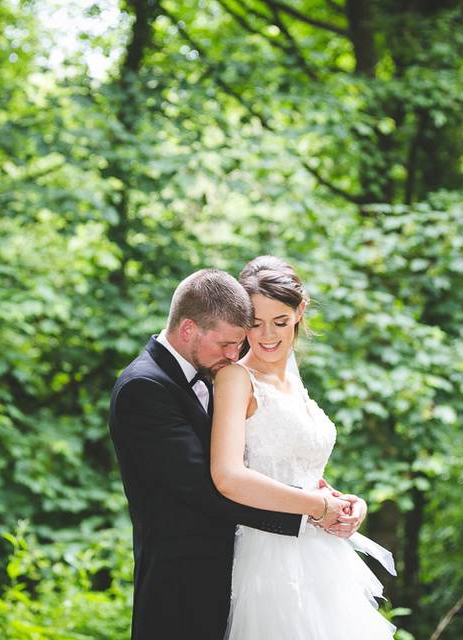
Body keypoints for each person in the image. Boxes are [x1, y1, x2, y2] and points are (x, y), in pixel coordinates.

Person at [108, 269, 355, 640]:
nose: (234, 355)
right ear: (189, 329)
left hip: (249, 564)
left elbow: (260, 457)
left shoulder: (212, 367)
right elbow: (207, 485)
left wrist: (329, 499)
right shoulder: (143, 387)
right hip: (182, 580)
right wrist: (311, 511)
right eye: (226, 344)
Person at [211, 256, 396, 639]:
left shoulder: (294, 382)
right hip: (270, 559)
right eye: (255, 324)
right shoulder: (235, 378)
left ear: (300, 311)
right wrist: (318, 506)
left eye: (280, 322)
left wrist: (344, 503)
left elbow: (296, 468)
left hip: (324, 559)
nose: (267, 336)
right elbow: (228, 476)